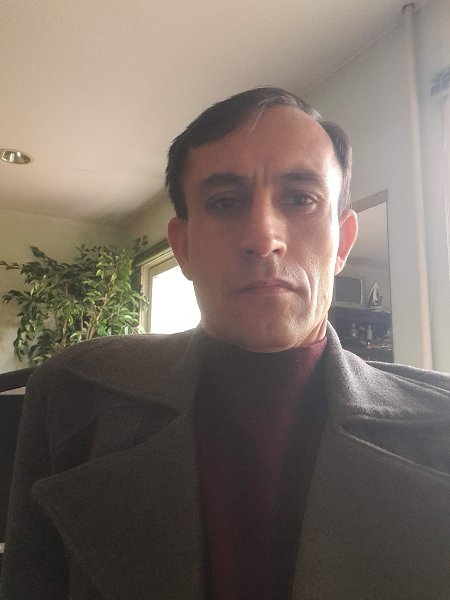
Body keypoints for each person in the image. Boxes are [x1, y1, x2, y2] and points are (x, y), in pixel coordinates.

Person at [1, 87, 449, 600]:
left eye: (300, 199)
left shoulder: (441, 425)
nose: (263, 237)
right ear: (183, 247)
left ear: (342, 242)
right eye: (225, 202)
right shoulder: (75, 393)